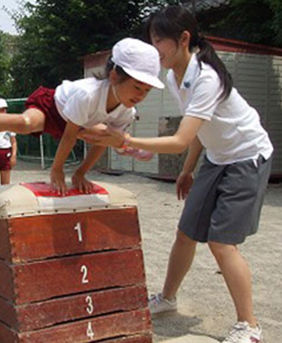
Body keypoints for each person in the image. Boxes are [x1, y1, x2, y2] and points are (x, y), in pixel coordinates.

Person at [81, 6, 273, 343]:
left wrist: (123, 140)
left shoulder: (207, 77)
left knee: (221, 243)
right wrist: (187, 170)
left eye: (158, 42)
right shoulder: (174, 76)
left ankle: (250, 325)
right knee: (186, 232)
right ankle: (167, 299)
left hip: (247, 157)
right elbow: (198, 130)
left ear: (183, 39)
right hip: (217, 157)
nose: (154, 50)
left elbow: (181, 139)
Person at [0, 38, 163, 195]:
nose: (141, 95)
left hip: (80, 123)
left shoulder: (127, 109)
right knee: (26, 123)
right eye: (137, 87)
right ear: (114, 76)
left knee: (109, 135)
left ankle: (126, 144)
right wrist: (57, 169)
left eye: (146, 91)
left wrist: (81, 173)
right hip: (53, 107)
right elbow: (69, 136)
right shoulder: (88, 94)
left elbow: (100, 144)